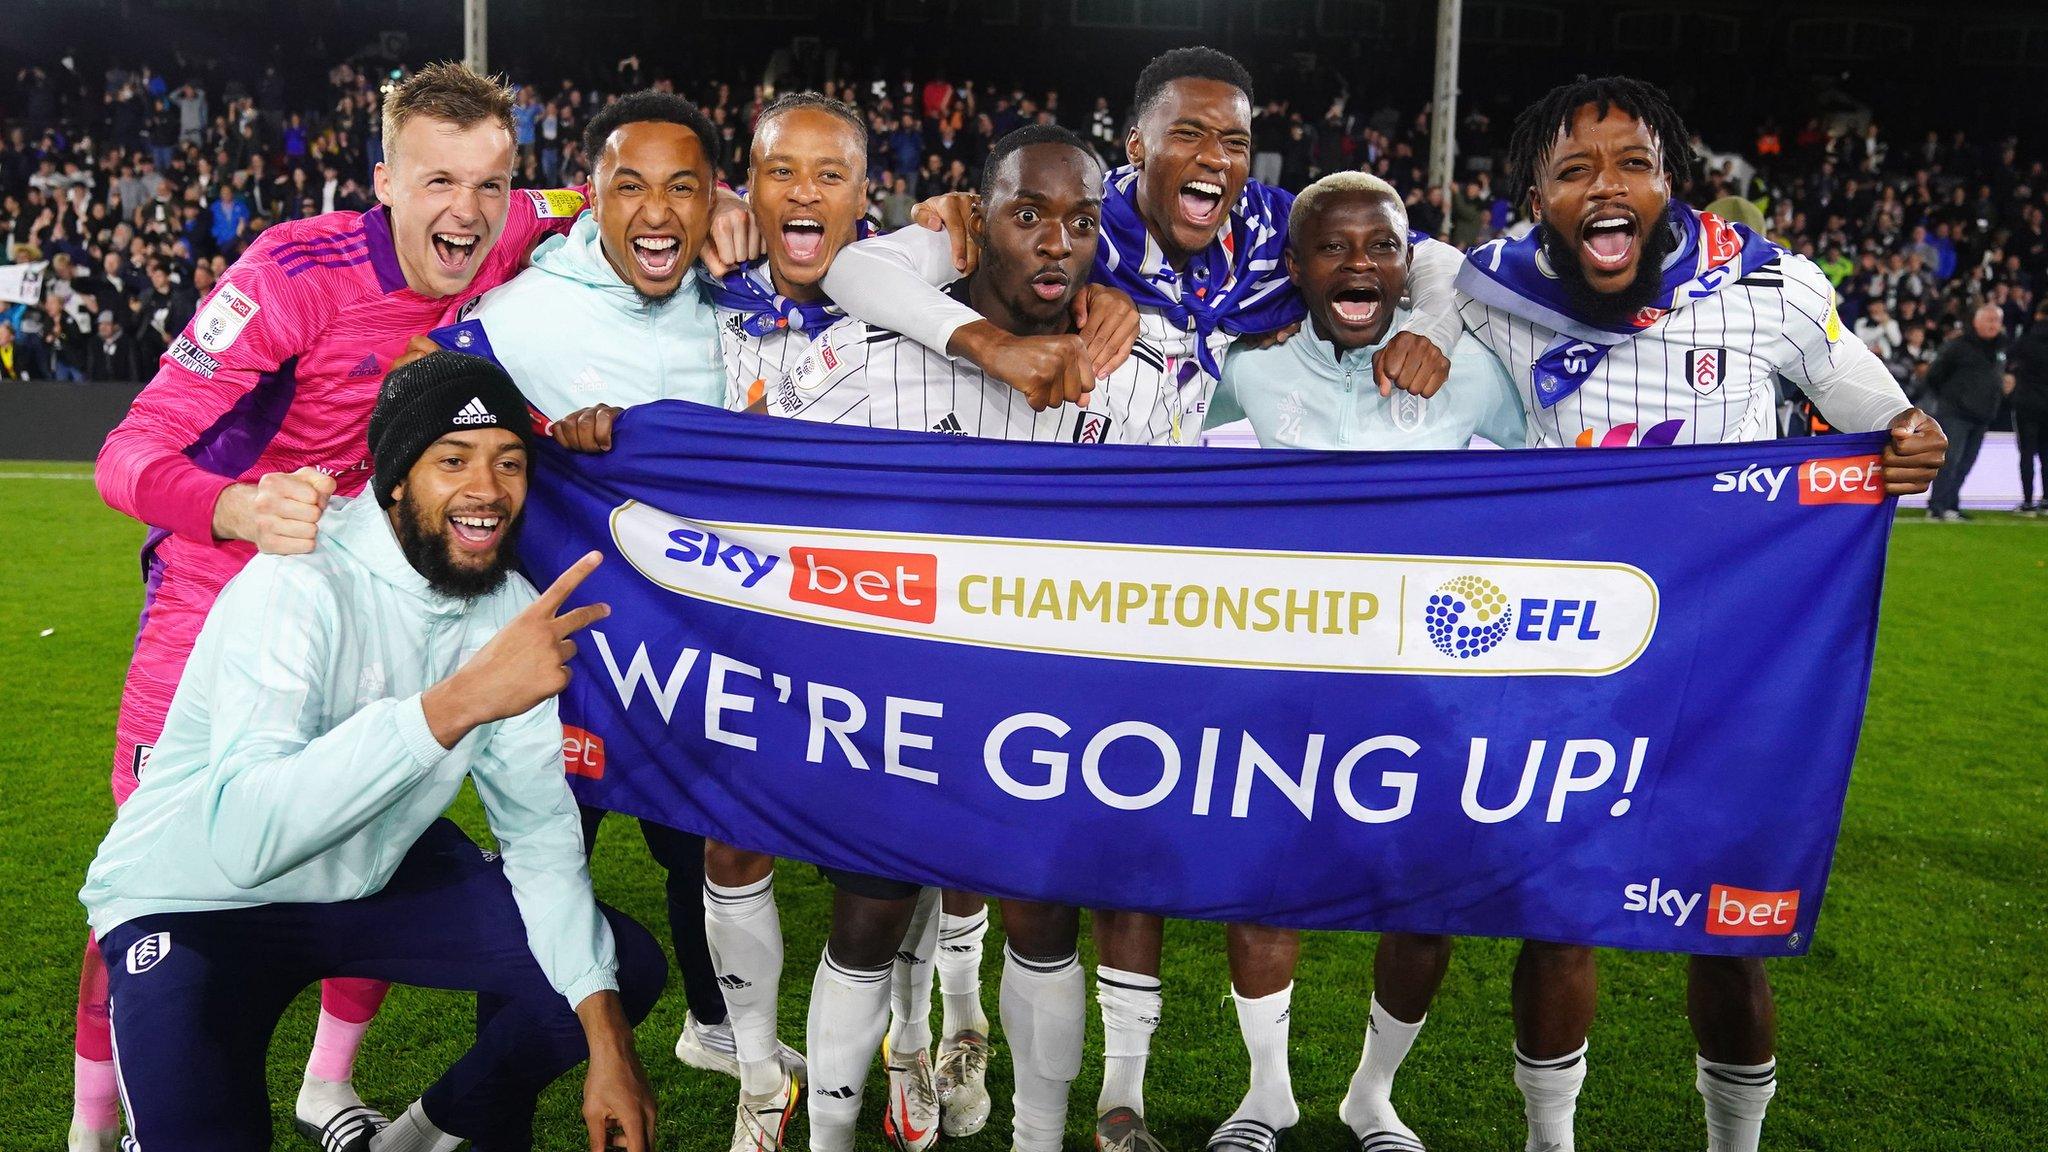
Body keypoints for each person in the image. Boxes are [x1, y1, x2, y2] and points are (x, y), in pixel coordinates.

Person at [826, 49, 1464, 1152]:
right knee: (926, 866)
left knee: (1114, 836)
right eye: (1186, 135)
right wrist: (995, 326)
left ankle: (1087, 1089)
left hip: (1179, 557)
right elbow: (858, 273)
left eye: (1231, 138)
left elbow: (1445, 264)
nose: (1211, 158)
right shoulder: (1070, 211)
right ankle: (937, 1035)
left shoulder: (1279, 227)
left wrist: (1434, 331)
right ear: (1135, 146)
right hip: (1038, 536)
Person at [1389, 75, 1944, 1152]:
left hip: (1728, 667)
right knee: (1554, 923)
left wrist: (1911, 434)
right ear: (1532, 197)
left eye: (1631, 164)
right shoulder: (1488, 288)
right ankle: (1550, 1144)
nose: (1607, 187)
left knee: (1725, 927)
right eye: (1573, 171)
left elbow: (1881, 415)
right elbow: (1395, 262)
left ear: (1671, 180)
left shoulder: (1770, 287)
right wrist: (1419, 327)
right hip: (1570, 661)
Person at [82, 62, 592, 1152]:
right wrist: (236, 506)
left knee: (371, 820)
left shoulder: (504, 225)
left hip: (378, 605)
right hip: (221, 608)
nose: (467, 209)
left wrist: (726, 200)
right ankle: (101, 1126)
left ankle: (326, 1088)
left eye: (491, 183)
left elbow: (591, 196)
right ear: (383, 182)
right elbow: (125, 455)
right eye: (439, 180)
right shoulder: (289, 274)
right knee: (160, 878)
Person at [78, 351, 667, 1151]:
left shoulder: (510, 608)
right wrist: (457, 703)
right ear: (395, 479)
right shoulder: (297, 580)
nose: (487, 489)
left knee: (617, 970)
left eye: (509, 463)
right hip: (199, 897)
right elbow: (247, 841)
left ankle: (418, 1137)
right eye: (452, 460)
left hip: (370, 875)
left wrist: (608, 1044)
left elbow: (537, 836)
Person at [773, 124, 1177, 1152]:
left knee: (1041, 923)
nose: (1054, 242)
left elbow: (1182, 540)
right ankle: (828, 1134)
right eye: (1026, 214)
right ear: (974, 222)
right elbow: (766, 483)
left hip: (1047, 716)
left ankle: (1037, 1139)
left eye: (1080, 221)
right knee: (865, 919)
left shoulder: (1136, 377)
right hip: (898, 706)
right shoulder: (866, 356)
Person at [427, 87, 809, 1152]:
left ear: (713, 200)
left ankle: (716, 1025)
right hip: (554, 666)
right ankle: (493, 1109)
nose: (654, 210)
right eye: (627, 185)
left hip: (688, 658)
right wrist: (545, 432)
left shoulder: (743, 310)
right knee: (538, 879)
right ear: (585, 199)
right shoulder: (518, 314)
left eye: (681, 186)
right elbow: (428, 421)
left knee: (701, 856)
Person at [1199, 172, 1525, 1152]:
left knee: (1424, 906)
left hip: (1425, 682)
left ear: (1405, 263)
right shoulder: (1243, 365)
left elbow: (1568, 473)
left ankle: (1370, 1097)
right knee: (1263, 890)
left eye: (1380, 248)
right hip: (1279, 680)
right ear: (1294, 268)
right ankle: (1266, 1094)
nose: (1358, 266)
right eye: (1333, 249)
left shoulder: (1466, 372)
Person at [1924, 304, 2012, 521]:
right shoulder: (1958, 346)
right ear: (1976, 321)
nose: (1993, 325)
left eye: (1997, 320)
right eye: (1989, 320)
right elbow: (1934, 375)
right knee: (1950, 461)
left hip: (1983, 415)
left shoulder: (2000, 349)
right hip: (1956, 413)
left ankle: (1951, 504)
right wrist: (1953, 398)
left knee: (1966, 463)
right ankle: (1937, 507)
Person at [2011, 298, 2048, 514]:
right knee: (2046, 454)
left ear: (2038, 315)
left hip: (2027, 403)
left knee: (2027, 453)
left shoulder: (2027, 340)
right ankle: (2046, 500)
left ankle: (2027, 501)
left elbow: (2011, 358)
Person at [86, 309, 139, 380]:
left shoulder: (127, 342)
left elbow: (133, 367)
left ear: (115, 326)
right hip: (99, 386)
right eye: (101, 324)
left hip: (123, 385)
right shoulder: (94, 343)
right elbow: (90, 366)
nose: (103, 327)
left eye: (107, 324)